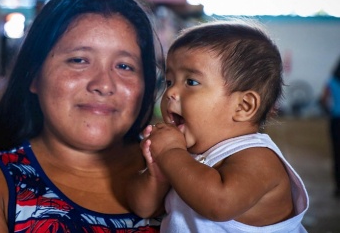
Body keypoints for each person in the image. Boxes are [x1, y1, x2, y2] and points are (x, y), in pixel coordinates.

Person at [0, 0, 164, 232]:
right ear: (33, 76)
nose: (104, 85)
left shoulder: (180, 173)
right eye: (79, 60)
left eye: (125, 66)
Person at [127, 20, 309, 232]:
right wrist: (156, 175)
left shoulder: (258, 158)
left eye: (191, 82)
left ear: (243, 106)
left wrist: (170, 152)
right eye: (169, 82)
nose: (170, 93)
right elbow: (143, 208)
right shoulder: (182, 156)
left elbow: (219, 204)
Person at [320, 58, 340, 197]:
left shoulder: (332, 81)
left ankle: (338, 188)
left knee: (337, 154)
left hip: (336, 121)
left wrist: (330, 111)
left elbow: (323, 99)